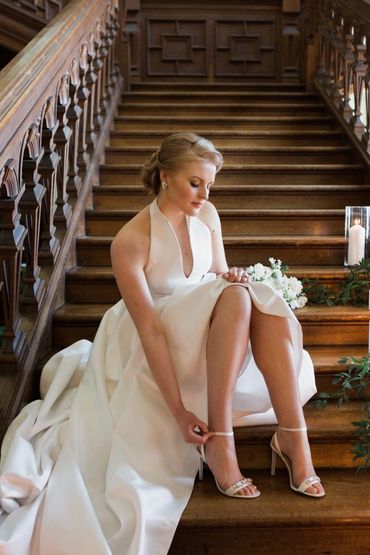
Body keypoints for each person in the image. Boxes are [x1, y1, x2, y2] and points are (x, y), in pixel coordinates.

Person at [0, 132, 324, 555]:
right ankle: (220, 440)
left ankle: (293, 437)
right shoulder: (129, 241)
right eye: (195, 183)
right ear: (165, 176)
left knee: (258, 297)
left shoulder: (208, 215)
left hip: (207, 323)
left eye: (210, 184)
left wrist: (233, 278)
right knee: (239, 298)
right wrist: (177, 409)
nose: (205, 194)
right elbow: (149, 328)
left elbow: (218, 274)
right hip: (150, 336)